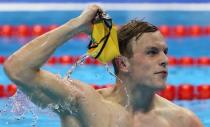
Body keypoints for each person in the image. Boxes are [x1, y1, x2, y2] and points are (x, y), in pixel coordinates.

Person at [3, 5, 203, 127]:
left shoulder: (182, 121)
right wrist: (76, 25)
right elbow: (17, 69)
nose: (164, 60)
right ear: (123, 63)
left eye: (165, 52)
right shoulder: (81, 102)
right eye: (152, 52)